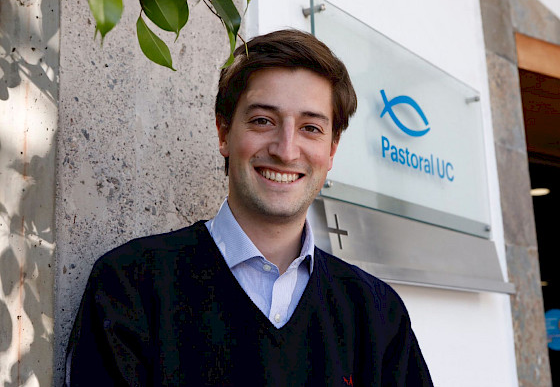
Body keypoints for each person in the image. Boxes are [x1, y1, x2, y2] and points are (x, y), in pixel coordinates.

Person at [65, 29, 433, 386]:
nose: (286, 150)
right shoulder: (131, 284)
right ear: (224, 132)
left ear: (332, 149)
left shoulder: (378, 314)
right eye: (262, 121)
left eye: (311, 128)